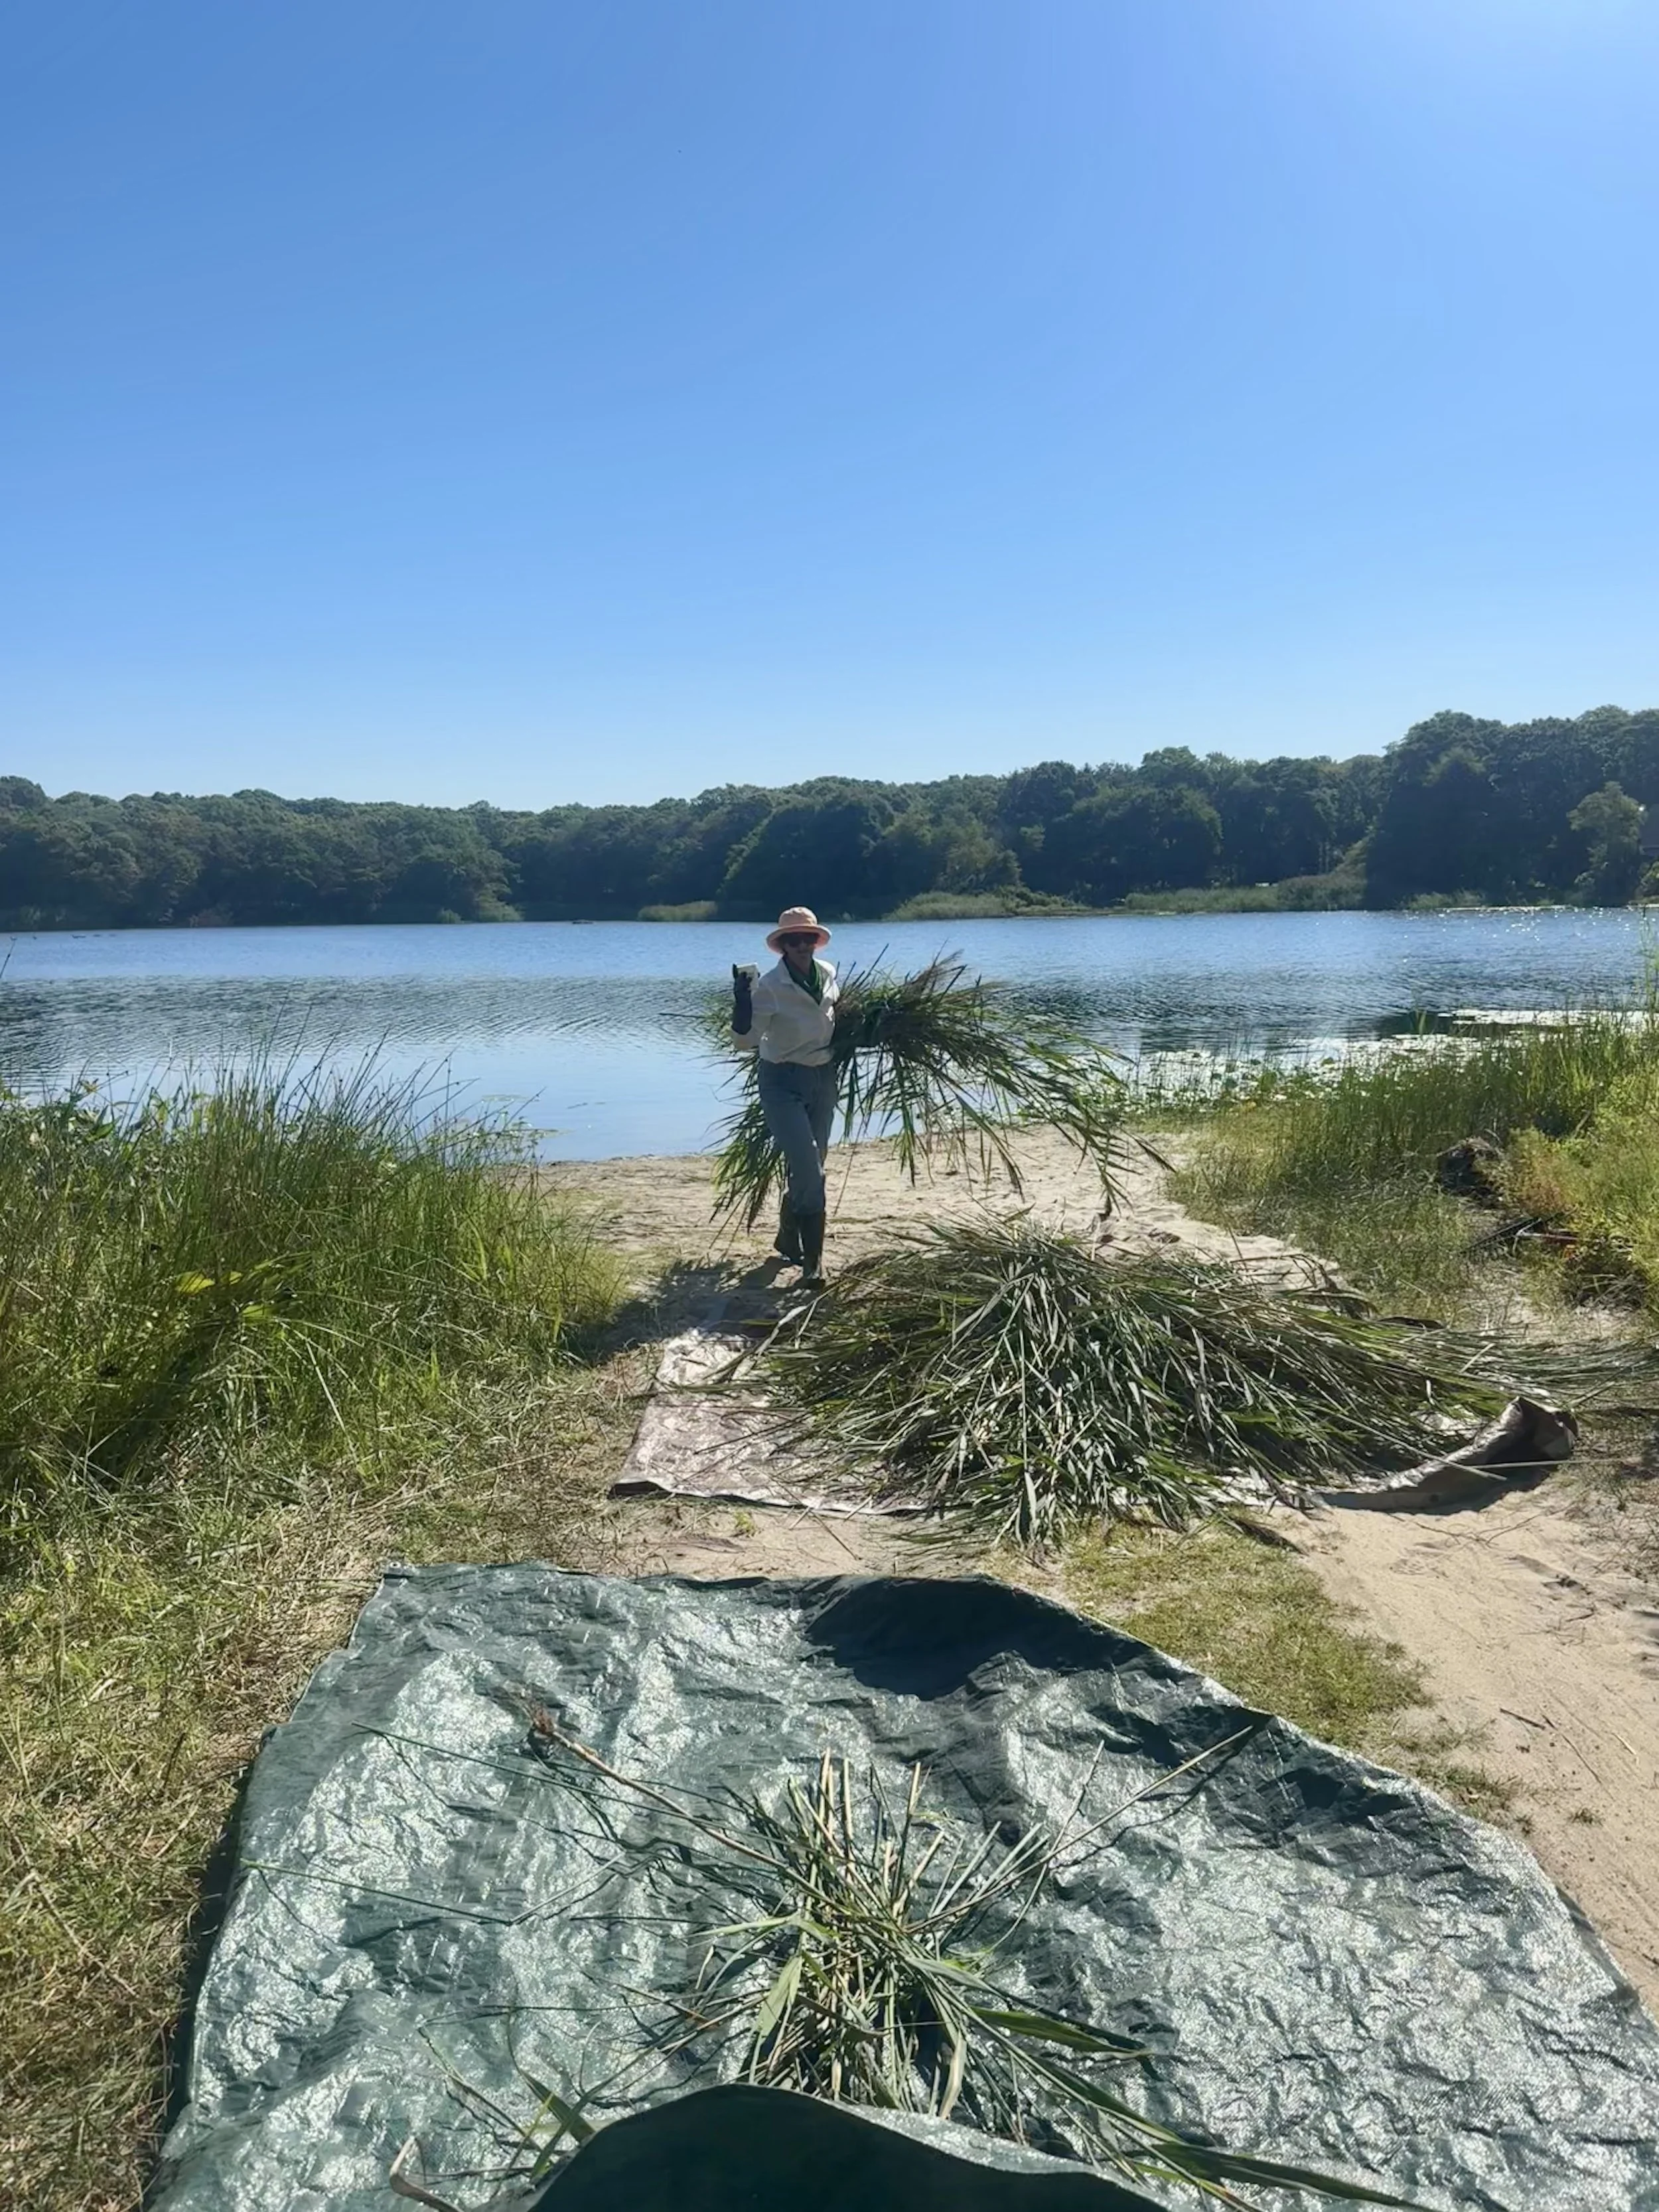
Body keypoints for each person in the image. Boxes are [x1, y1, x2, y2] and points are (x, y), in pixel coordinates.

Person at [731, 906, 840, 1285]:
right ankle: (813, 1264)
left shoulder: (827, 974)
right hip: (781, 1082)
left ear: (815, 941)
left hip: (823, 1079)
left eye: (807, 938)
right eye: (792, 940)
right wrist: (742, 1004)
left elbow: (831, 1020)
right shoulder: (770, 988)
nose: (801, 945)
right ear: (782, 947)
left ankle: (787, 1235)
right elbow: (745, 1043)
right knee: (810, 1166)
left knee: (812, 1164)